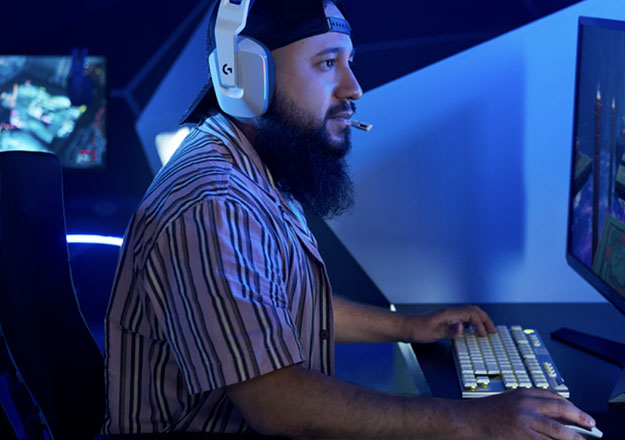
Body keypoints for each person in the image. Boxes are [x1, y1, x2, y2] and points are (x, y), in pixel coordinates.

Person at [103, 1, 596, 438]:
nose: (354, 87)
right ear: (244, 77)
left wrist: (408, 326)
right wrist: (474, 421)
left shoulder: (250, 163)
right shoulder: (216, 205)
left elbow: (277, 305)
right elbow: (276, 402)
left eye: (349, 61)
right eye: (327, 63)